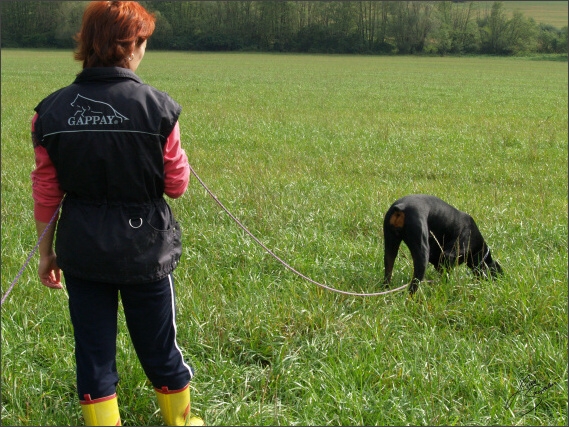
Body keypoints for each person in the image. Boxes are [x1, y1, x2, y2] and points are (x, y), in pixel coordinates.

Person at [30, 2, 203, 425]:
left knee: (93, 351)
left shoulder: (48, 112)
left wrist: (45, 253)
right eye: (143, 42)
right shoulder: (159, 108)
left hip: (82, 251)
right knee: (160, 346)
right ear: (132, 45)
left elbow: (47, 192)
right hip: (146, 251)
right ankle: (180, 421)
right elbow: (177, 186)